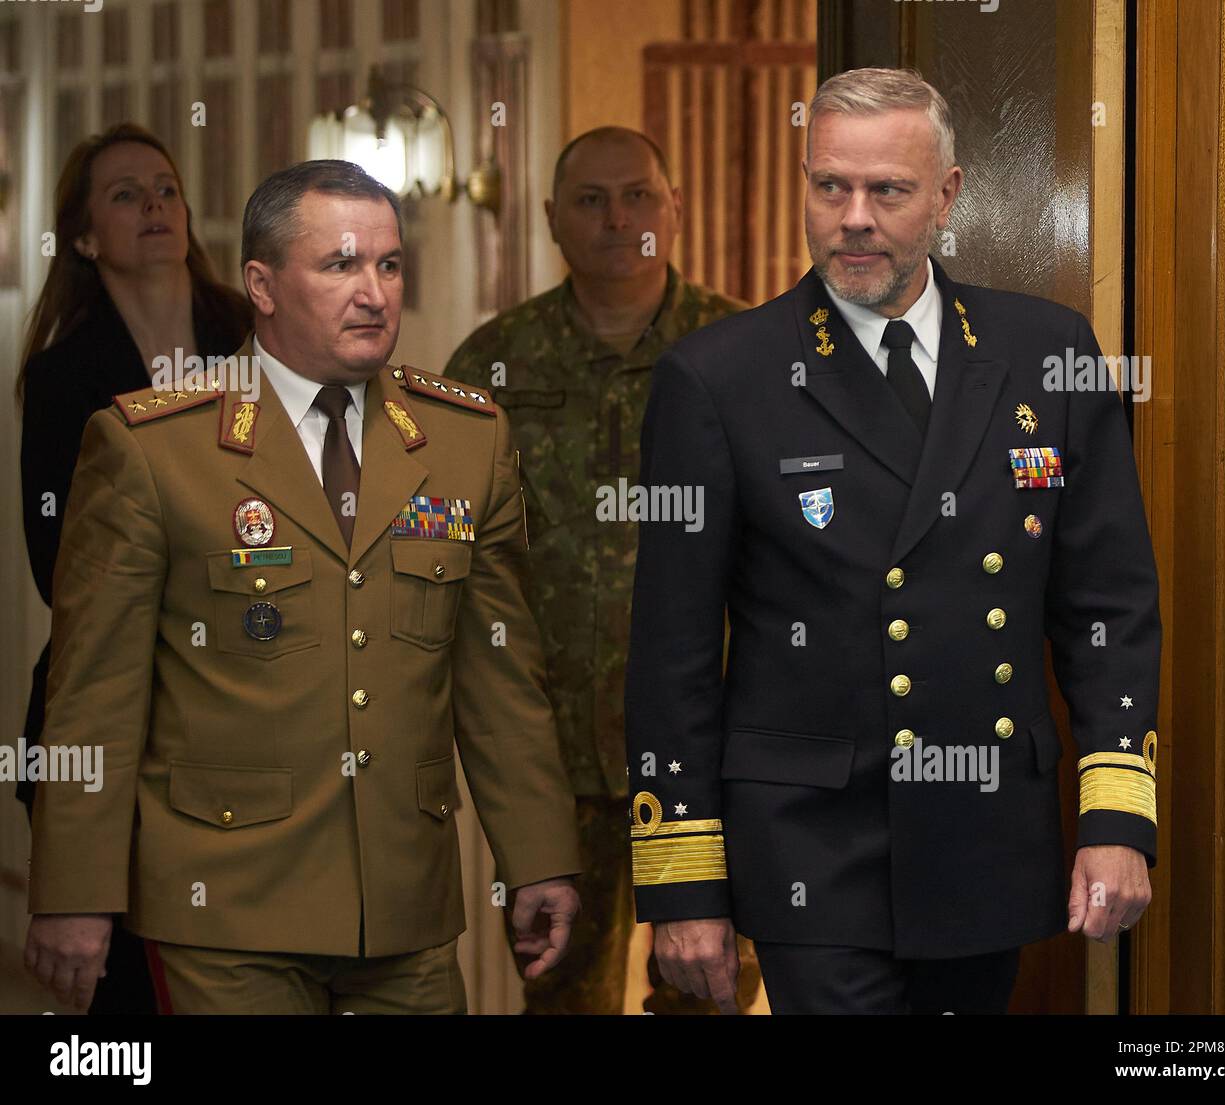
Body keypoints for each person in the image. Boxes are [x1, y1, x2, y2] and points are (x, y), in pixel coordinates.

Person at [624, 67, 1161, 1015]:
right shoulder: (720, 377)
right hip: (812, 851)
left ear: (947, 195)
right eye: (830, 186)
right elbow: (671, 654)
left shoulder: (1049, 353)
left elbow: (1108, 605)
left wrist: (1117, 815)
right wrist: (682, 885)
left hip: (988, 836)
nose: (855, 218)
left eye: (888, 191)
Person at [22, 160, 581, 1014]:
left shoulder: (465, 439)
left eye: (389, 266)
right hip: (226, 909)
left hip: (405, 904)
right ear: (262, 284)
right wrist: (74, 889)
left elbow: (499, 676)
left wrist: (537, 853)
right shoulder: (152, 447)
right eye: (340, 266)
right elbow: (96, 692)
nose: (374, 293)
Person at [446, 126, 759, 1014]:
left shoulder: (749, 351)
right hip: (554, 761)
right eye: (591, 200)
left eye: (638, 196)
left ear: (676, 210)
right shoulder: (492, 367)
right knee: (561, 993)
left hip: (713, 751)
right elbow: (464, 568)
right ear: (550, 219)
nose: (618, 219)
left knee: (709, 989)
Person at [16, 122, 251, 1014]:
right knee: (130, 1001)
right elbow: (59, 569)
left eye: (165, 188)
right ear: (83, 236)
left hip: (250, 704)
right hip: (112, 710)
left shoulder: (260, 339)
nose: (155, 205)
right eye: (125, 194)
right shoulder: (65, 373)